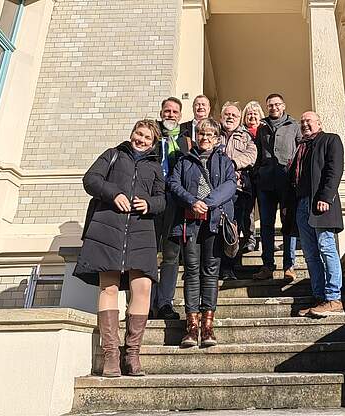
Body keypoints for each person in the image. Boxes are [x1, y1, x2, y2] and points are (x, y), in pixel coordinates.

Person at [74, 119, 166, 377]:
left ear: (153, 143)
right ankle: (111, 355)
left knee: (143, 287)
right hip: (107, 228)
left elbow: (162, 200)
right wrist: (113, 193)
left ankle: (132, 354)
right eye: (139, 134)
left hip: (141, 231)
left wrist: (149, 204)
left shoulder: (156, 167)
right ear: (132, 133)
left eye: (147, 137)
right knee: (109, 286)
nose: (142, 140)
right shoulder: (112, 155)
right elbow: (90, 180)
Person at [167, 118, 236, 347]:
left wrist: (206, 203)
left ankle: (208, 325)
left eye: (210, 135)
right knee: (192, 271)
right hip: (190, 223)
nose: (205, 139)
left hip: (213, 222)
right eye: (201, 135)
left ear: (217, 139)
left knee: (210, 270)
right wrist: (191, 201)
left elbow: (230, 185)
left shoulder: (224, 161)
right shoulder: (184, 160)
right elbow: (174, 184)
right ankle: (192, 325)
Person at [287, 111, 345, 317]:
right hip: (301, 205)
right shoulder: (301, 146)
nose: (304, 124)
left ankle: (333, 298)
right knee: (310, 254)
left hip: (320, 202)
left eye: (308, 121)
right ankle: (320, 298)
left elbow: (334, 170)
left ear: (319, 123)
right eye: (302, 122)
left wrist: (326, 197)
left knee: (326, 247)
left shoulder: (330, 140)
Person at [149, 97, 192, 320]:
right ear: (161, 113)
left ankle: (165, 302)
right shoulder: (150, 136)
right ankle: (146, 303)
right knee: (148, 254)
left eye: (175, 112)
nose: (171, 115)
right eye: (167, 111)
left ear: (180, 116)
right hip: (151, 201)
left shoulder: (186, 141)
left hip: (176, 202)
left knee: (171, 254)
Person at [252, 93, 300, 280]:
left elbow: (300, 151)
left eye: (277, 104)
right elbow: (257, 154)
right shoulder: (262, 128)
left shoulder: (294, 125)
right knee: (266, 225)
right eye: (270, 105)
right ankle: (267, 266)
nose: (274, 108)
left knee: (288, 223)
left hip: (287, 182)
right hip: (265, 182)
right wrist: (257, 173)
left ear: (283, 105)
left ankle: (289, 266)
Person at [218, 102, 257, 280]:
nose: (231, 117)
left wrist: (232, 163)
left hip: (239, 189)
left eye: (234, 115)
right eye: (227, 114)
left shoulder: (246, 136)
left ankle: (229, 267)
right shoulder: (213, 133)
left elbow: (251, 156)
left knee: (234, 228)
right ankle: (217, 266)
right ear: (221, 117)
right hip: (216, 190)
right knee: (217, 228)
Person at [240, 100, 265, 252]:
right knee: (247, 209)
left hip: (263, 175)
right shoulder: (241, 132)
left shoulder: (266, 130)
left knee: (265, 209)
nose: (252, 116)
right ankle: (250, 239)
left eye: (255, 113)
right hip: (247, 175)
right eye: (249, 114)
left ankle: (266, 239)